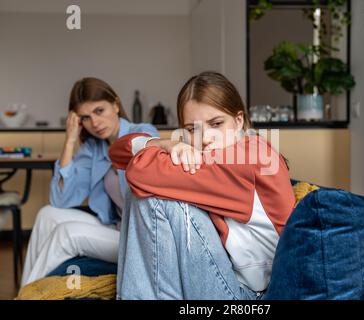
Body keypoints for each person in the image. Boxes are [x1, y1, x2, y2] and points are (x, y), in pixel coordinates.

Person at [109, 71, 295, 299]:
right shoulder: (208, 156)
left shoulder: (247, 157)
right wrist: (163, 143)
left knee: (153, 196)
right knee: (148, 191)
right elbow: (117, 152)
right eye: (192, 129)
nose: (205, 138)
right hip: (231, 282)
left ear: (238, 121)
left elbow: (138, 173)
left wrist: (160, 151)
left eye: (216, 123)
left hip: (251, 297)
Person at [21, 77, 159, 287]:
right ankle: (27, 291)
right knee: (46, 215)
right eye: (85, 117)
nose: (94, 123)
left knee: (66, 234)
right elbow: (60, 200)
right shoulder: (94, 148)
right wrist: (69, 141)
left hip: (140, 237)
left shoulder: (142, 133)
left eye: (99, 111)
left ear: (115, 104)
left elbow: (148, 156)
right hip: (115, 228)